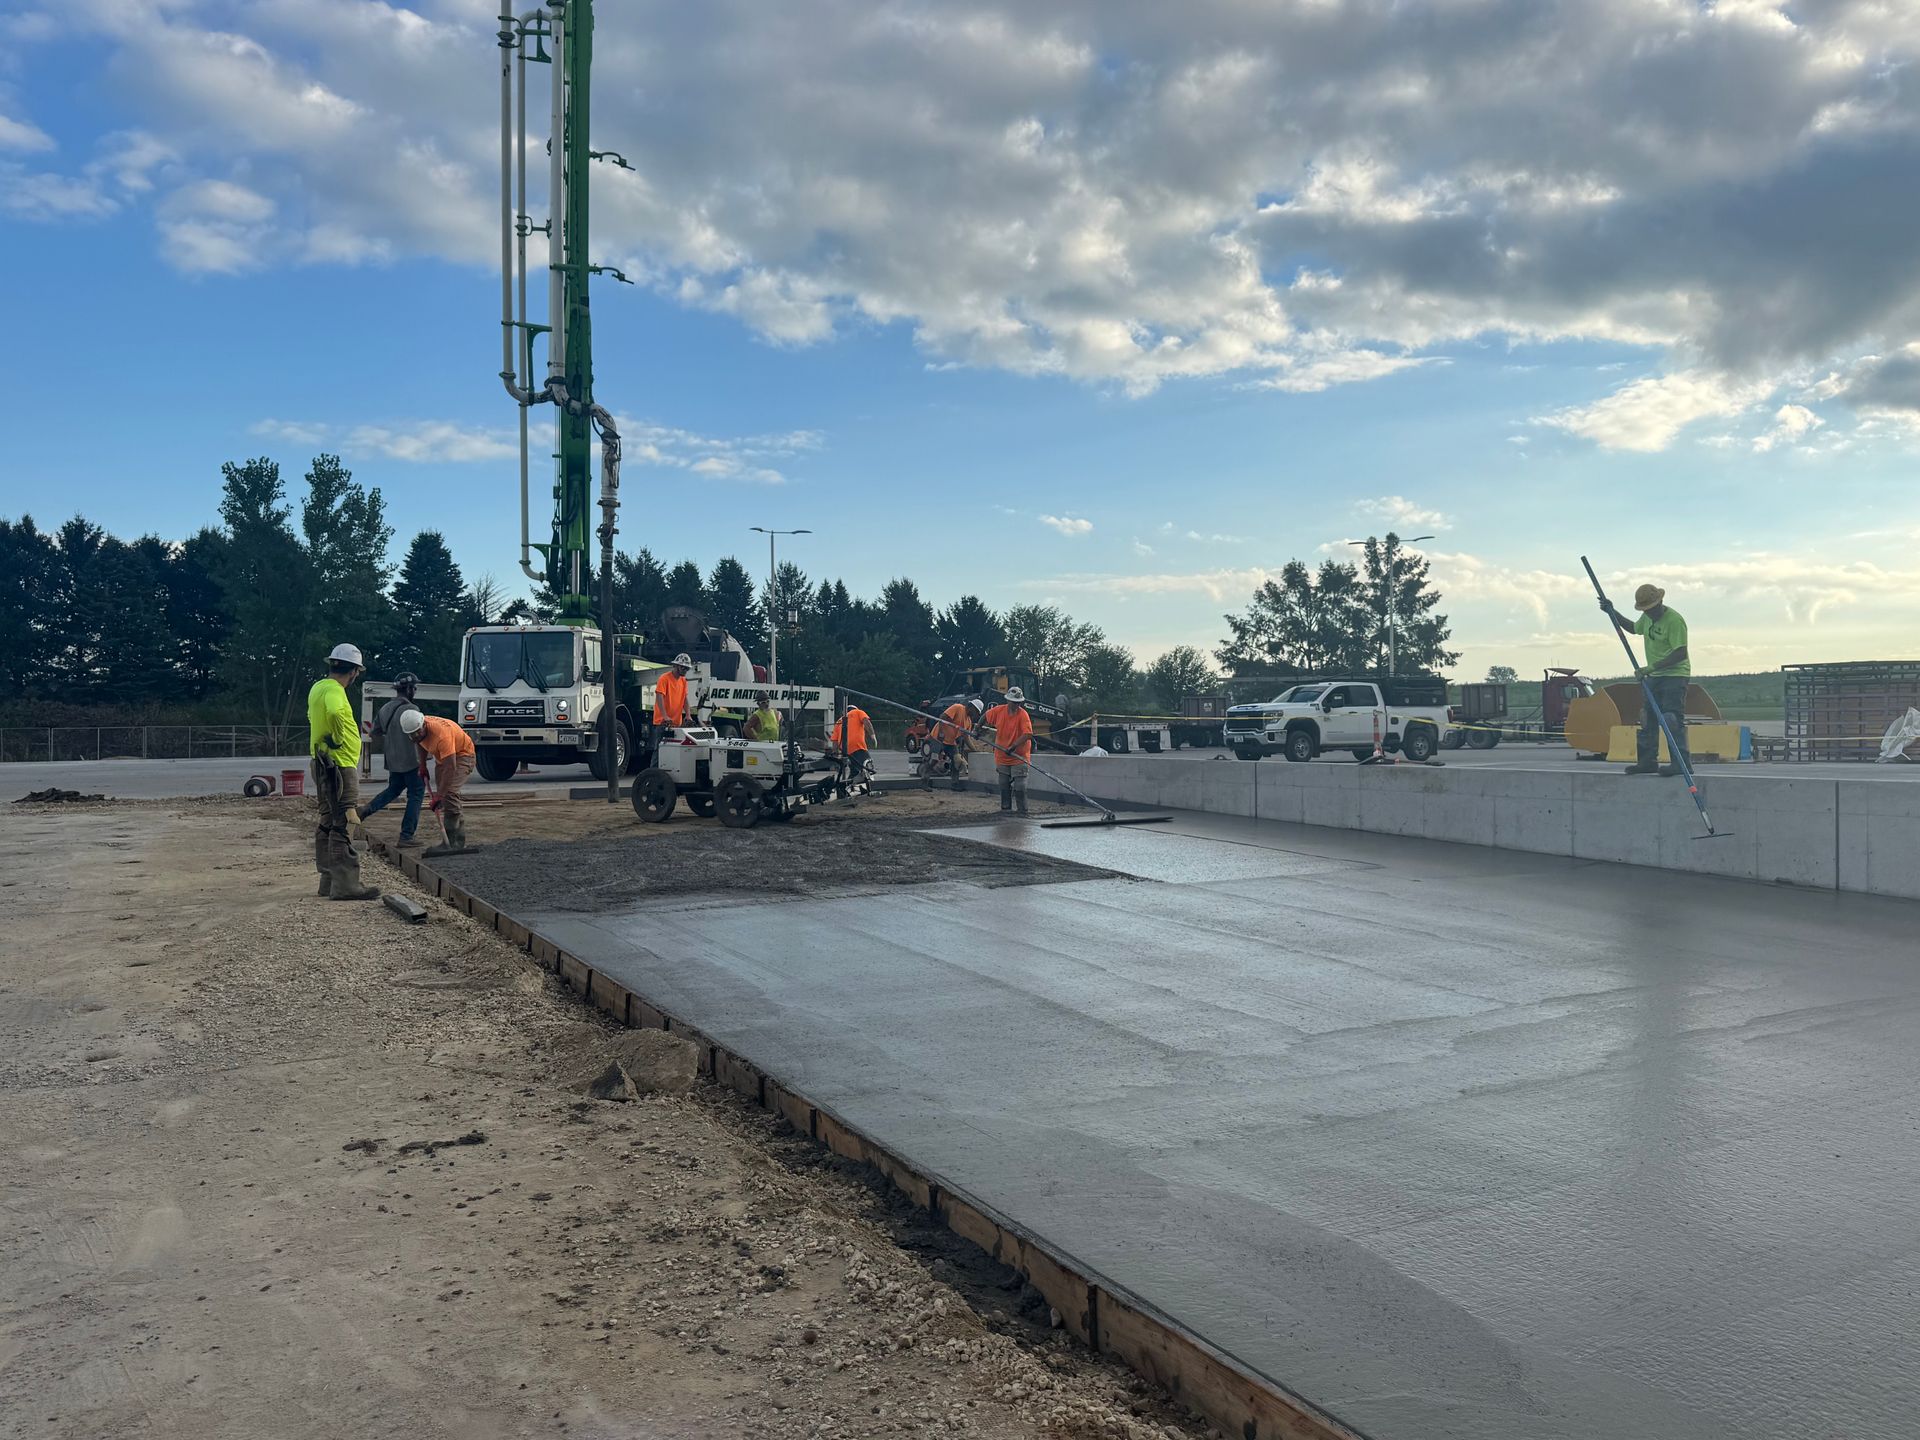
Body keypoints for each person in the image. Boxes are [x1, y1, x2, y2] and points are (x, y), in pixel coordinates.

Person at [307, 643, 380, 900]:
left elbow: (312, 716)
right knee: (345, 821)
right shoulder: (335, 691)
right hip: (339, 765)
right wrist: (338, 736)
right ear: (354, 672)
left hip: (322, 762)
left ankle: (328, 881)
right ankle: (346, 885)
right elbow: (337, 712)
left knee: (328, 820)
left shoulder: (318, 688)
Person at [1602, 582, 1691, 778]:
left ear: (1660, 602)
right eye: (1645, 610)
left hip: (1675, 675)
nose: (1648, 613)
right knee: (1647, 717)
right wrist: (1612, 612)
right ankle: (1647, 761)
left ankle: (1681, 762)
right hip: (1654, 677)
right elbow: (1633, 628)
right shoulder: (1647, 618)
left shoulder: (1674, 620)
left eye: (1651, 609)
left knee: (1671, 719)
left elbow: (1681, 653)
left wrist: (1650, 667)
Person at [359, 672, 425, 847]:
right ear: (409, 689)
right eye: (414, 687)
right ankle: (406, 836)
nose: (415, 690)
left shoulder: (385, 709)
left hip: (393, 761)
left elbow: (374, 733)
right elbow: (420, 736)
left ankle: (365, 810)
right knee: (416, 795)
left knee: (393, 790)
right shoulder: (412, 710)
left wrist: (391, 741)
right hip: (411, 761)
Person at [403, 709, 478, 850]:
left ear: (424, 724)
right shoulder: (417, 731)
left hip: (463, 755)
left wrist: (440, 795)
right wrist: (423, 765)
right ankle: (452, 841)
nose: (415, 735)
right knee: (446, 797)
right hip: (443, 758)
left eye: (417, 732)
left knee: (448, 793)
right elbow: (420, 742)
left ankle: (455, 842)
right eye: (412, 735)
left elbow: (451, 767)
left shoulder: (441, 734)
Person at [982, 686, 1035, 815]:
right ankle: (1006, 810)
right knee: (1004, 784)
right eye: (1013, 702)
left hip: (1019, 756)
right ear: (1008, 701)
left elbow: (1028, 734)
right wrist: (977, 729)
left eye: (1018, 703)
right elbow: (985, 716)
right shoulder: (999, 711)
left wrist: (1013, 746)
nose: (1016, 705)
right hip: (1002, 756)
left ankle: (1022, 811)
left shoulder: (1023, 715)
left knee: (1020, 786)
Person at [929, 696, 979, 790]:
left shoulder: (968, 721)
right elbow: (942, 717)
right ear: (972, 707)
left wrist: (976, 751)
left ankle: (955, 784)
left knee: (957, 761)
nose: (976, 715)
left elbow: (966, 738)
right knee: (934, 759)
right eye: (976, 712)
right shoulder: (958, 708)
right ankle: (924, 780)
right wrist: (940, 732)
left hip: (950, 742)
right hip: (938, 738)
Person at [829, 702, 876, 775]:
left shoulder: (839, 721)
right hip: (857, 745)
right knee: (868, 766)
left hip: (845, 749)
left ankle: (850, 783)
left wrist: (835, 755)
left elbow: (835, 741)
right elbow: (866, 722)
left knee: (854, 770)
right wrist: (873, 736)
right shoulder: (858, 712)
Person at [654, 653, 695, 730]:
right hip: (662, 723)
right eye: (683, 668)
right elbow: (659, 697)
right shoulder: (664, 678)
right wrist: (665, 716)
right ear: (675, 666)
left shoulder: (683, 681)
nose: (685, 671)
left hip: (675, 724)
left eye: (687, 668)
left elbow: (685, 699)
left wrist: (688, 715)